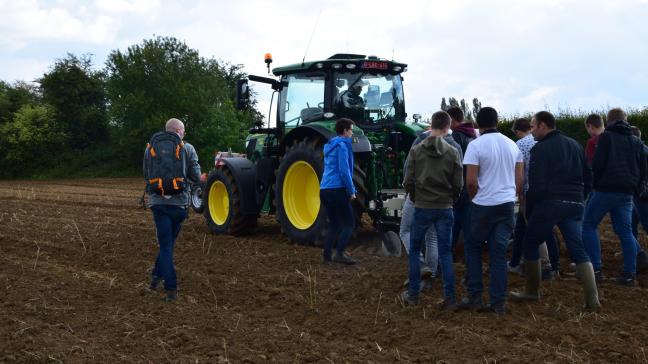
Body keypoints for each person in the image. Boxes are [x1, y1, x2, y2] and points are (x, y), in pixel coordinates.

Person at [510, 111, 601, 311]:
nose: (531, 131)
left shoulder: (540, 149)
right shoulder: (575, 145)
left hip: (549, 203)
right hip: (575, 203)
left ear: (543, 125)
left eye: (533, 126)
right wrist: (581, 196)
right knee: (578, 250)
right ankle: (593, 301)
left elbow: (536, 184)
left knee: (530, 242)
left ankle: (532, 291)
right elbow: (588, 174)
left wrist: (532, 210)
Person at [458, 107, 523, 315]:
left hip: (483, 204)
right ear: (497, 121)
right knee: (498, 253)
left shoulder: (475, 145)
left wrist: (474, 198)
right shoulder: (512, 145)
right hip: (506, 205)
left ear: (479, 123)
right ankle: (498, 302)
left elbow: (470, 181)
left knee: (473, 247)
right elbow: (520, 180)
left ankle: (475, 294)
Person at [401, 111, 463, 307]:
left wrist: (415, 196)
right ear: (448, 126)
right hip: (445, 207)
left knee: (413, 248)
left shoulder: (417, 148)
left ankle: (413, 295)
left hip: (422, 205)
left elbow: (407, 179)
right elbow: (458, 184)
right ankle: (450, 298)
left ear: (430, 124)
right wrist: (450, 200)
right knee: (444, 251)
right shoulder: (454, 149)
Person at [583, 108, 647, 286]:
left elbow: (597, 164)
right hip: (627, 192)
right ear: (625, 120)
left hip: (605, 190)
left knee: (588, 225)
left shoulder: (606, 137)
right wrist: (635, 185)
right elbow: (642, 168)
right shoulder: (635, 140)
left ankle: (595, 269)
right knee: (625, 232)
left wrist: (595, 184)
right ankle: (629, 275)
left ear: (609, 121)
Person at [147, 118, 202, 302]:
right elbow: (195, 176)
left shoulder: (150, 147)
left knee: (165, 245)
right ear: (179, 130)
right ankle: (169, 287)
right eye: (184, 131)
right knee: (167, 245)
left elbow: (146, 173)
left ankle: (156, 278)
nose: (184, 134)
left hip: (158, 203)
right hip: (179, 206)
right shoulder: (188, 148)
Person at [508, 118, 560, 279]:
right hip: (547, 191)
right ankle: (518, 262)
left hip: (529, 193)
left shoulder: (519, 145)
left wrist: (519, 193)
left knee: (539, 231)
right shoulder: (542, 142)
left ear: (517, 131)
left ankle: (545, 266)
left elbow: (519, 173)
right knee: (523, 229)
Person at [320, 118, 357, 265]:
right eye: (351, 129)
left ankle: (327, 255)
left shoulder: (329, 146)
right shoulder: (342, 146)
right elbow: (344, 171)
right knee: (349, 223)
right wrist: (352, 191)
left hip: (324, 190)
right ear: (345, 131)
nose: (352, 132)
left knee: (335, 223)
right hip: (337, 190)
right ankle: (340, 253)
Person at [447, 107, 476, 277]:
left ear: (452, 119)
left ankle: (449, 257)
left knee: (452, 224)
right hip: (471, 189)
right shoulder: (472, 135)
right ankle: (468, 259)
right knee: (466, 226)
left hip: (459, 187)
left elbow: (454, 164)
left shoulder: (456, 136)